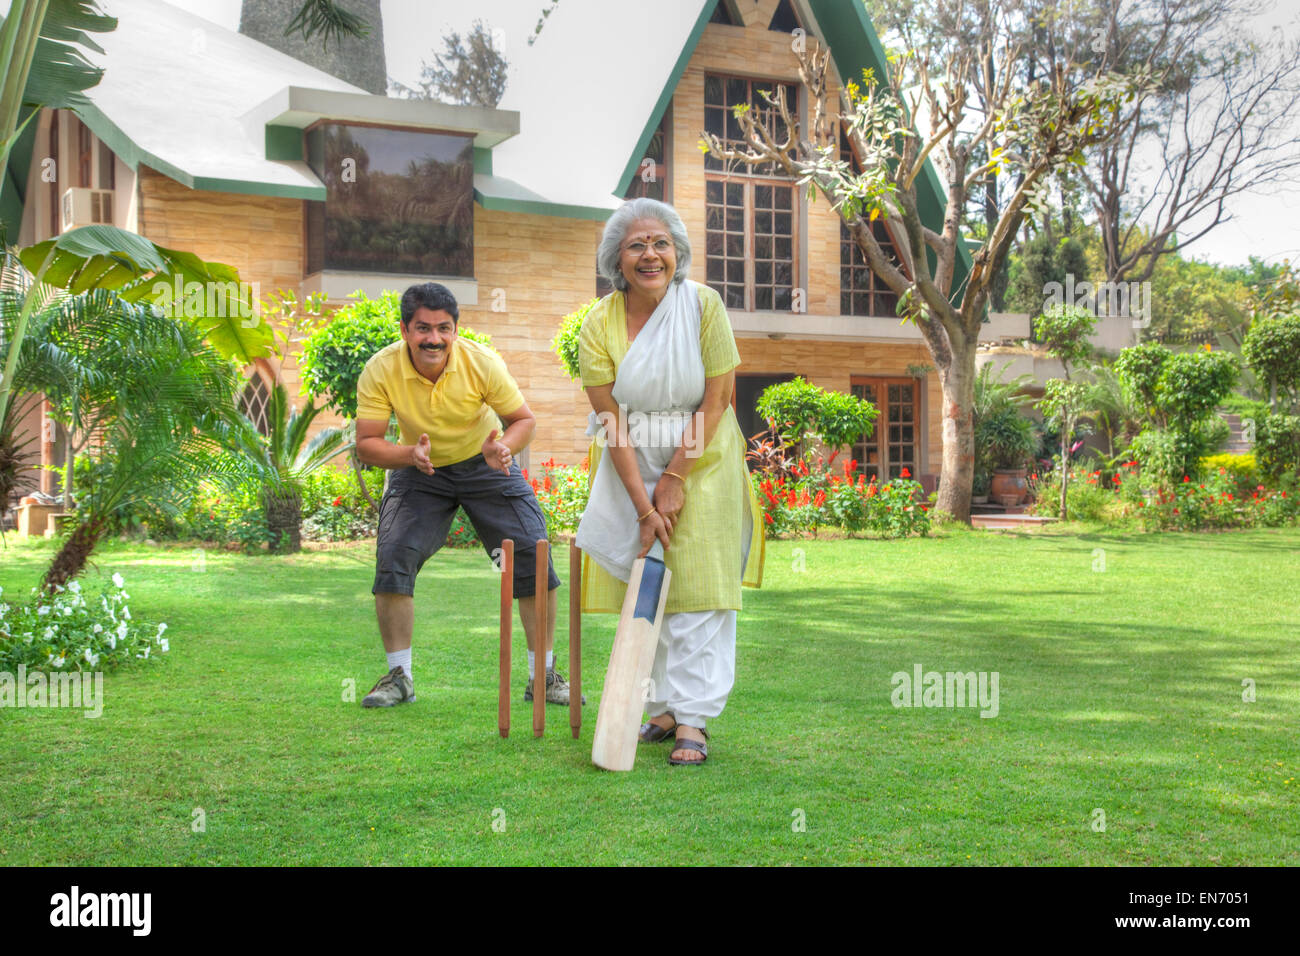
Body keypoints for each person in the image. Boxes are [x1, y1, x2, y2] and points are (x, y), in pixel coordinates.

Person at [576, 198, 764, 765]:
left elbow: (719, 396)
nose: (650, 255)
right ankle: (660, 706)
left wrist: (676, 477)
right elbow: (611, 420)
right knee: (647, 586)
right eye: (636, 245)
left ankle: (695, 718)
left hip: (703, 455)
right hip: (629, 460)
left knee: (700, 589)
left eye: (660, 243)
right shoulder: (597, 322)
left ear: (677, 252)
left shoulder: (704, 305)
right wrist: (643, 503)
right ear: (618, 258)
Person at [354, 281, 575, 709]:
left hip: (485, 463)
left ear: (455, 330)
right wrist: (408, 454)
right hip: (417, 468)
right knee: (394, 553)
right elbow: (367, 443)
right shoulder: (380, 369)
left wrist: (504, 447)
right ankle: (399, 677)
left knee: (533, 550)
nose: (433, 338)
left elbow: (523, 420)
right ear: (404, 330)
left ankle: (542, 677)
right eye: (422, 328)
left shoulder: (482, 362)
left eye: (443, 328)